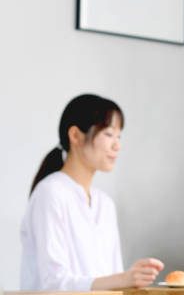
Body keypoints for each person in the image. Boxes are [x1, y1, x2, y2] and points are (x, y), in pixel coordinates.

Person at [20, 94, 164, 291]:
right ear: (76, 136)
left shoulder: (105, 204)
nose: (117, 145)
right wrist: (122, 279)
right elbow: (52, 282)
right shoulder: (50, 193)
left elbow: (113, 281)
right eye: (108, 134)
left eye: (119, 136)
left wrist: (129, 280)